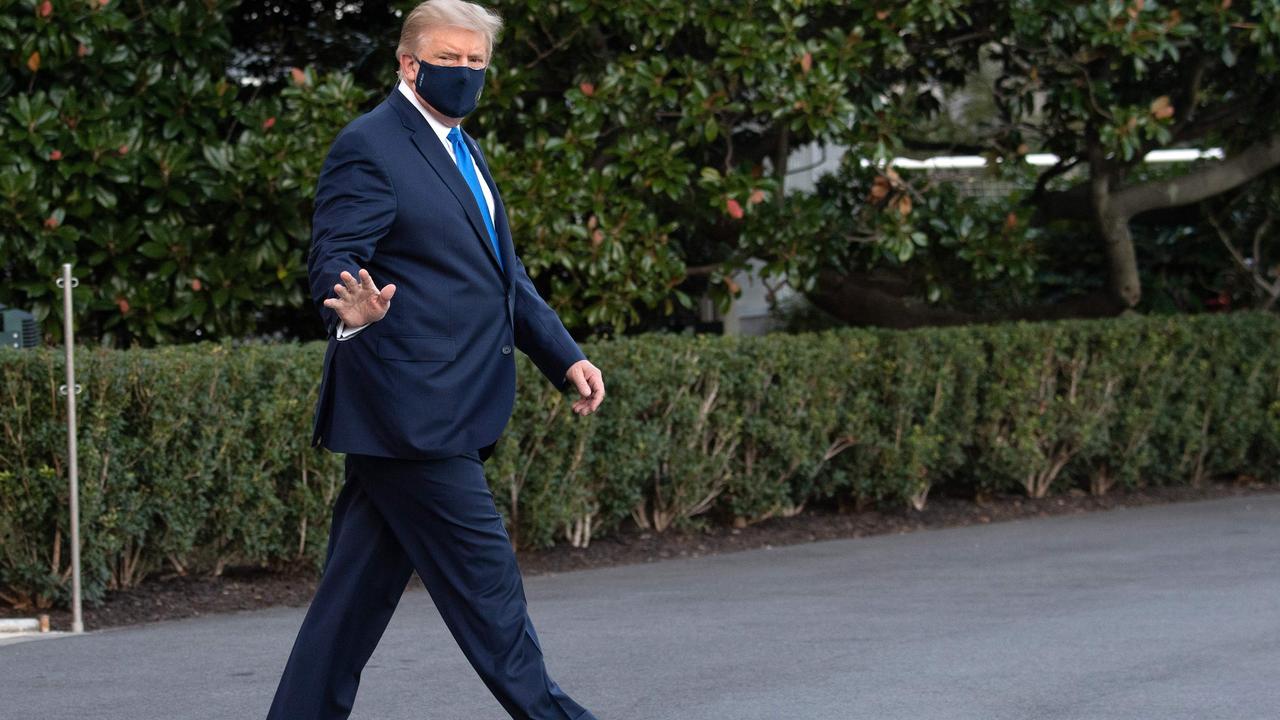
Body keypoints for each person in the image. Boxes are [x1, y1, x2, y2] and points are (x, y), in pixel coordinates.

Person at [265, 1, 604, 718]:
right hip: (414, 415)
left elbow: (500, 276)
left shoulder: (461, 147)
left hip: (430, 414)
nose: (464, 72)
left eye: (476, 61)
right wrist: (346, 304)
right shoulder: (371, 144)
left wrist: (561, 355)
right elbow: (335, 253)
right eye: (448, 59)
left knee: (350, 607)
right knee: (491, 600)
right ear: (407, 61)